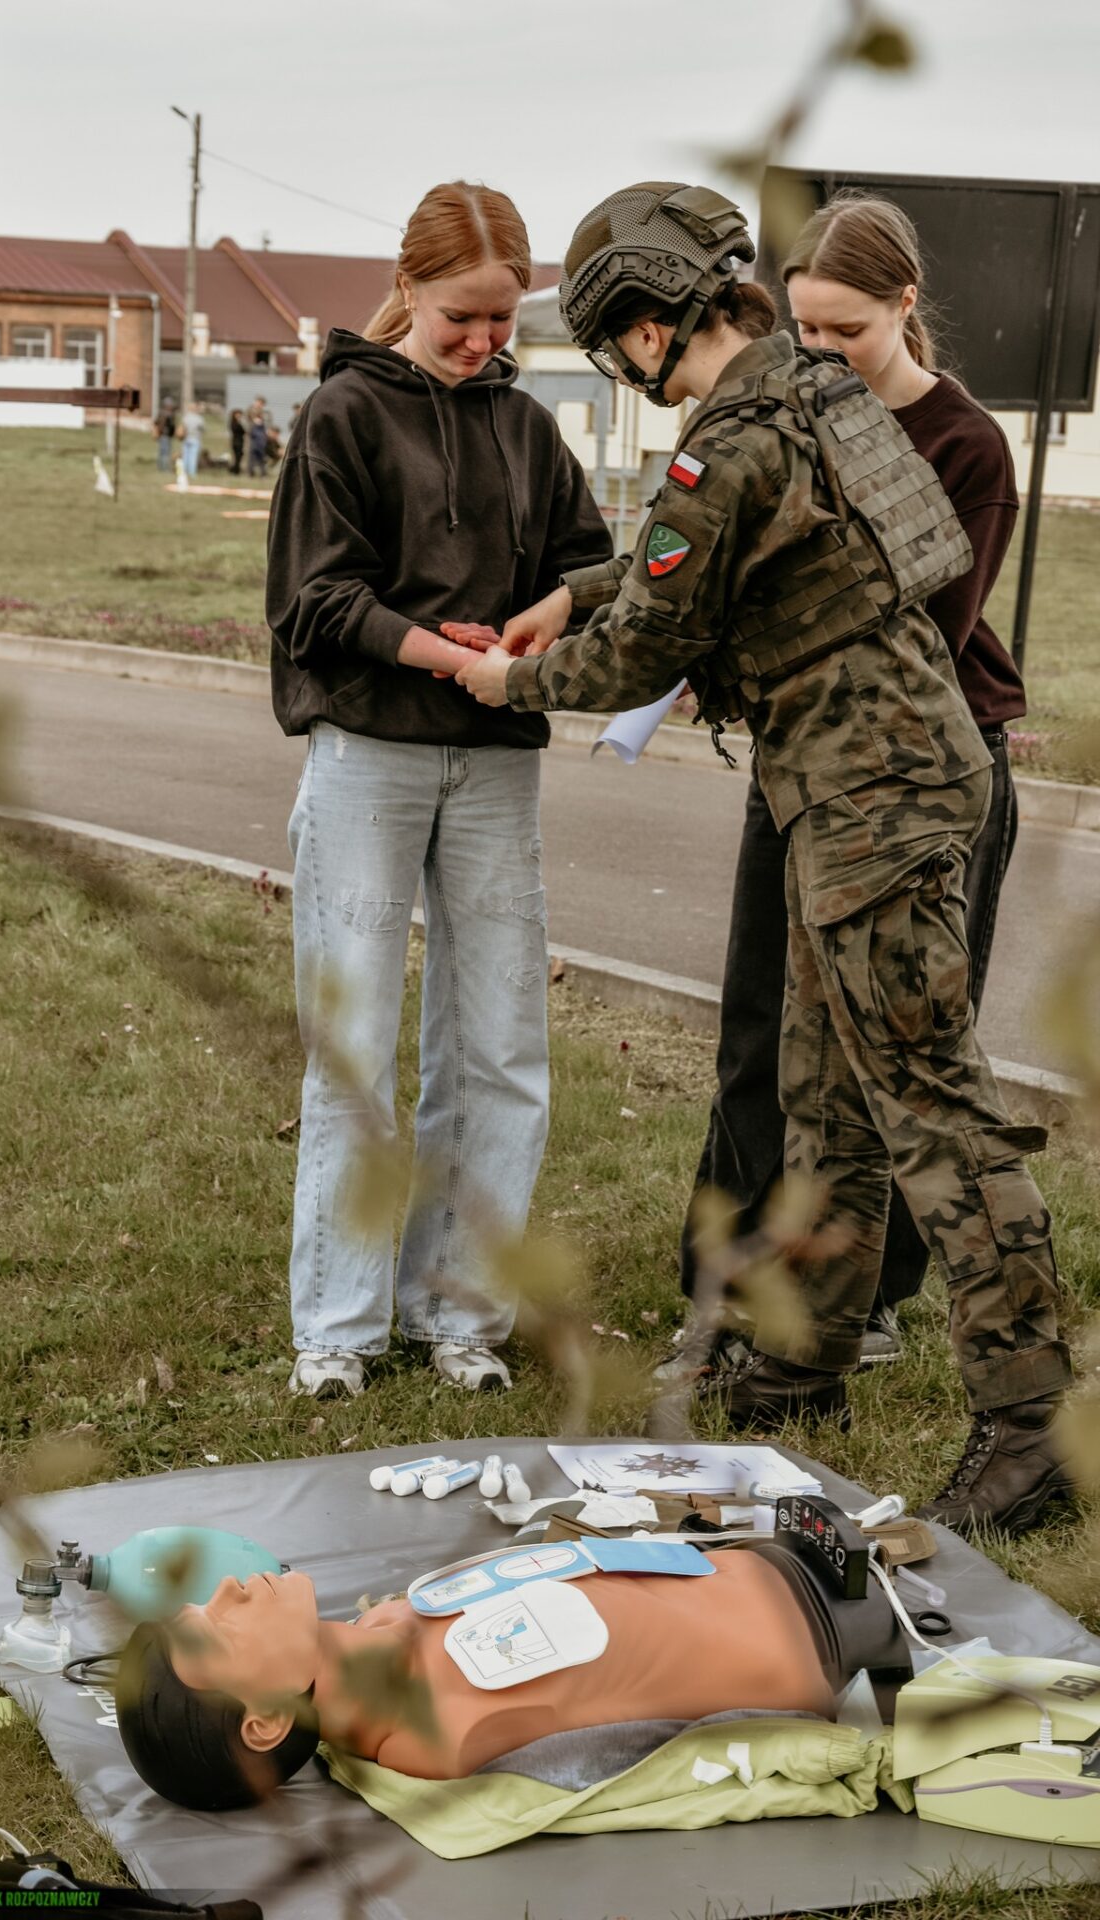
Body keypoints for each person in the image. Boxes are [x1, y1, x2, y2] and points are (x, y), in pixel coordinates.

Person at [454, 182, 1073, 1535]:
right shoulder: (807, 390)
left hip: (871, 795)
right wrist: (577, 591)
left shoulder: (728, 439)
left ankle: (1033, 1427)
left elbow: (646, 646)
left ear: (647, 326)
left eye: (616, 341)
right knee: (825, 1095)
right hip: (871, 780)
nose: (624, 367)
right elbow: (708, 563)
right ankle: (801, 1362)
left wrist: (506, 679)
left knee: (929, 1105)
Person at [267, 180, 610, 1400]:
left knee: (499, 1046)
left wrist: (543, 617)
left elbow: (590, 562)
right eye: (460, 315)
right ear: (407, 288)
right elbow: (314, 599)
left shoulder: (528, 427)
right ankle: (337, 1331)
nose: (481, 339)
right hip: (367, 756)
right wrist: (443, 656)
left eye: (501, 318)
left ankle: (459, 1315)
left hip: (496, 763)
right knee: (354, 1045)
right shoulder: (341, 415)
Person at [678, 194, 1027, 1374]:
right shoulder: (776, 414)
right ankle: (726, 1291)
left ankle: (866, 1301)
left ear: (904, 306)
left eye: (847, 331)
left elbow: (916, 632)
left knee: (903, 1056)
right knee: (757, 1038)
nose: (821, 352)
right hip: (796, 763)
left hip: (922, 777)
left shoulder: (963, 444)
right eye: (805, 330)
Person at [115, 1546, 909, 1804]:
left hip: (757, 1568)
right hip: (816, 1636)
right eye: (217, 1627)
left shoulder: (383, 1627)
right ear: (265, 1721)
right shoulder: (444, 1730)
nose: (228, 1588)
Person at [246, 396, 270, 478]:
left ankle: (263, 473)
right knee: (251, 454)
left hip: (261, 436)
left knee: (261, 454)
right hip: (252, 435)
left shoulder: (265, 413)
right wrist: (254, 420)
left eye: (261, 403)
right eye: (258, 402)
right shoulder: (250, 410)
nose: (259, 404)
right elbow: (246, 420)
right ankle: (250, 472)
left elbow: (268, 423)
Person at [181, 401, 203, 479]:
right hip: (195, 438)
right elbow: (202, 428)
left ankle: (183, 471)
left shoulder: (186, 417)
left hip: (186, 438)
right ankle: (192, 473)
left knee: (185, 456)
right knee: (193, 456)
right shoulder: (198, 418)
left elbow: (183, 426)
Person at [156, 398, 177, 473]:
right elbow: (168, 425)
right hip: (166, 435)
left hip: (163, 435)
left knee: (161, 452)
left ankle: (160, 467)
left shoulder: (161, 413)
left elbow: (156, 422)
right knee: (166, 453)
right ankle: (165, 469)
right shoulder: (167, 414)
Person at [229, 407, 247, 475]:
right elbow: (239, 430)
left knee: (239, 456)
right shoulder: (234, 423)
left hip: (240, 441)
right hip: (236, 441)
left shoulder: (239, 423)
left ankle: (236, 469)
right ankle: (235, 470)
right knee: (237, 456)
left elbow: (244, 431)